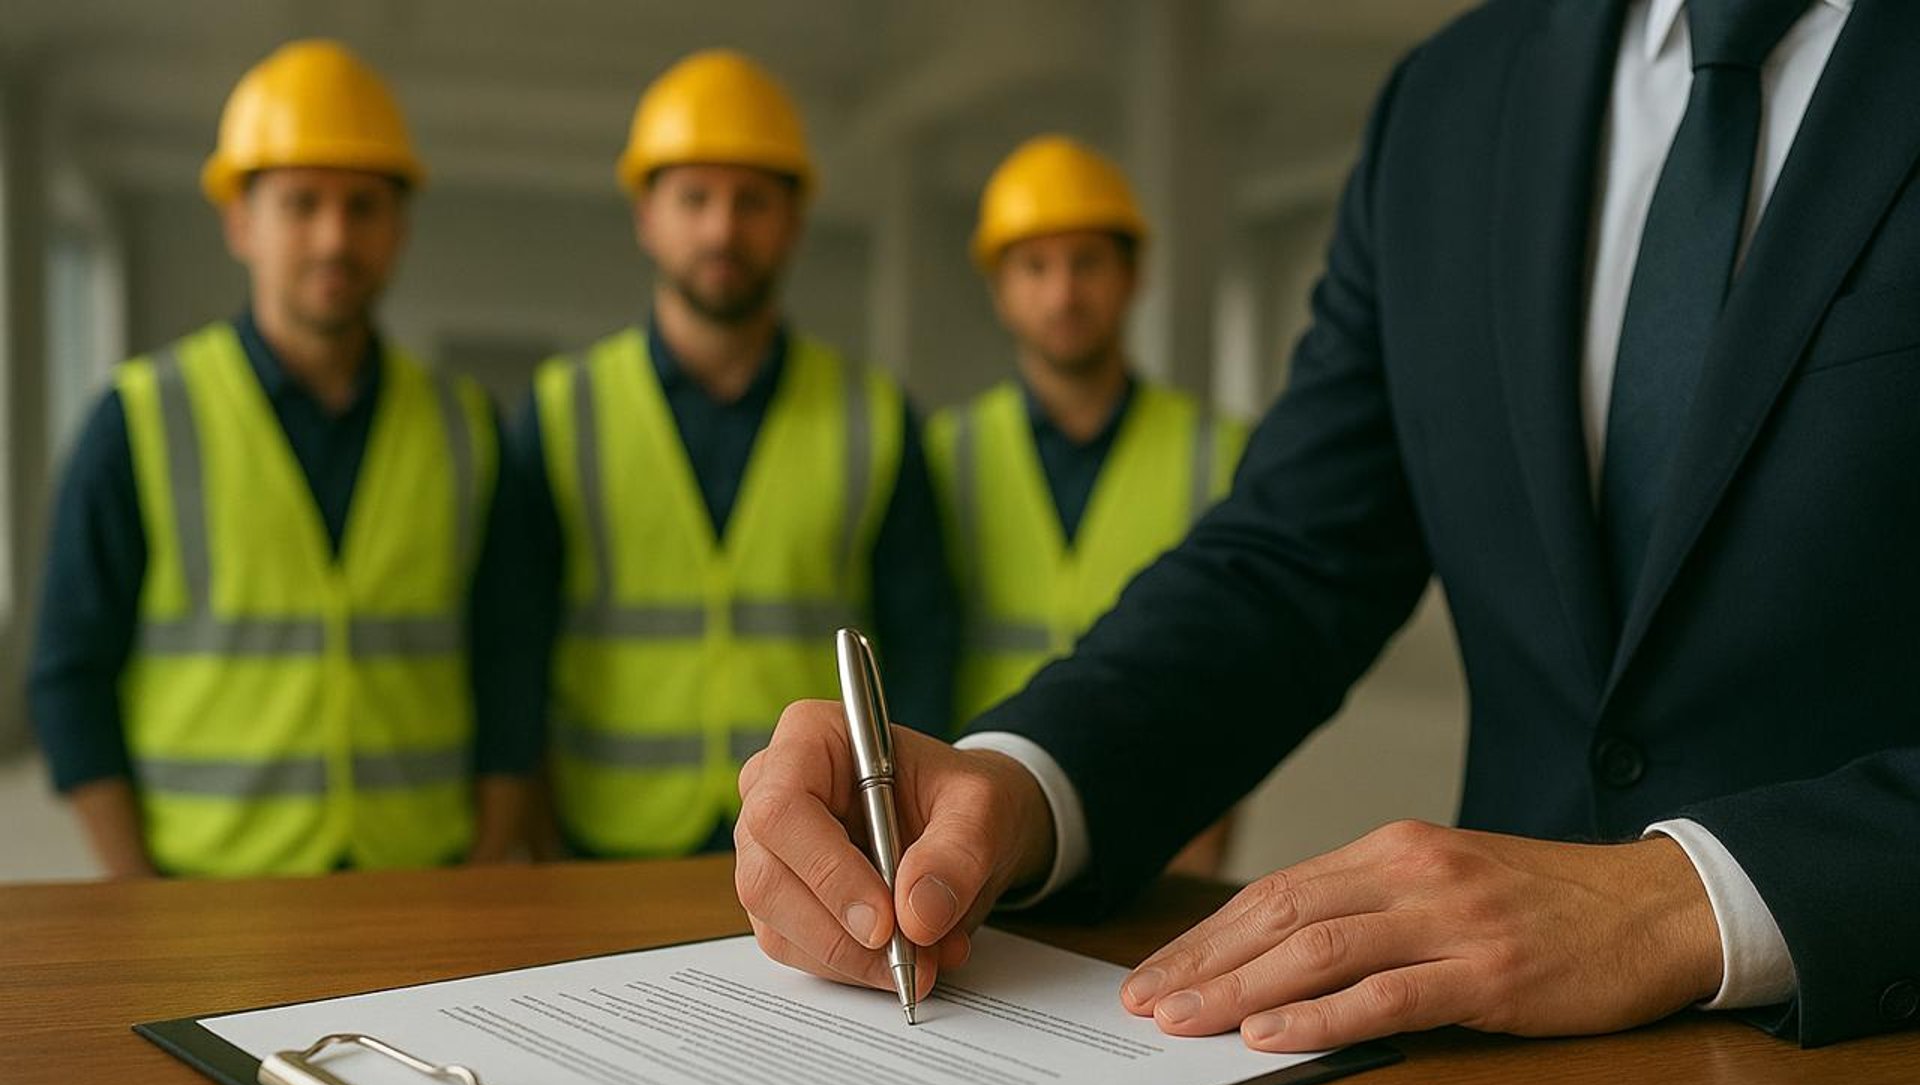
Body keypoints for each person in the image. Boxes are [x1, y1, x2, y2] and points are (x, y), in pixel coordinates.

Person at [733, 0, 1920, 1049]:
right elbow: (1293, 556)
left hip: (1871, 1058)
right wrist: (1016, 784)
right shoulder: (1451, 100)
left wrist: (1681, 901)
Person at [27, 39, 529, 877]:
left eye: (362, 207)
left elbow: (510, 665)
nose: (334, 237)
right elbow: (67, 678)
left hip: (421, 886)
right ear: (240, 221)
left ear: (398, 228)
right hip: (205, 897)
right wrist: (138, 893)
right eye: (301, 204)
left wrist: (482, 865)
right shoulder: (141, 419)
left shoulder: (466, 428)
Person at [498, 49, 958, 859]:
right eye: (695, 197)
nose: (722, 227)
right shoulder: (563, 408)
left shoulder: (872, 417)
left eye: (752, 200)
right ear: (647, 214)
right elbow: (514, 640)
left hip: (824, 840)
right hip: (606, 843)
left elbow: (921, 649)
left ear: (793, 221)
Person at [926, 135, 1248, 874]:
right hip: (983, 814)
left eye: (1087, 262)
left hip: (1163, 816)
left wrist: (1209, 820)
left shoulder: (1219, 451)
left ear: (1133, 276)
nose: (1063, 292)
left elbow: (1234, 655)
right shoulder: (948, 453)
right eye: (1035, 267)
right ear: (1000, 288)